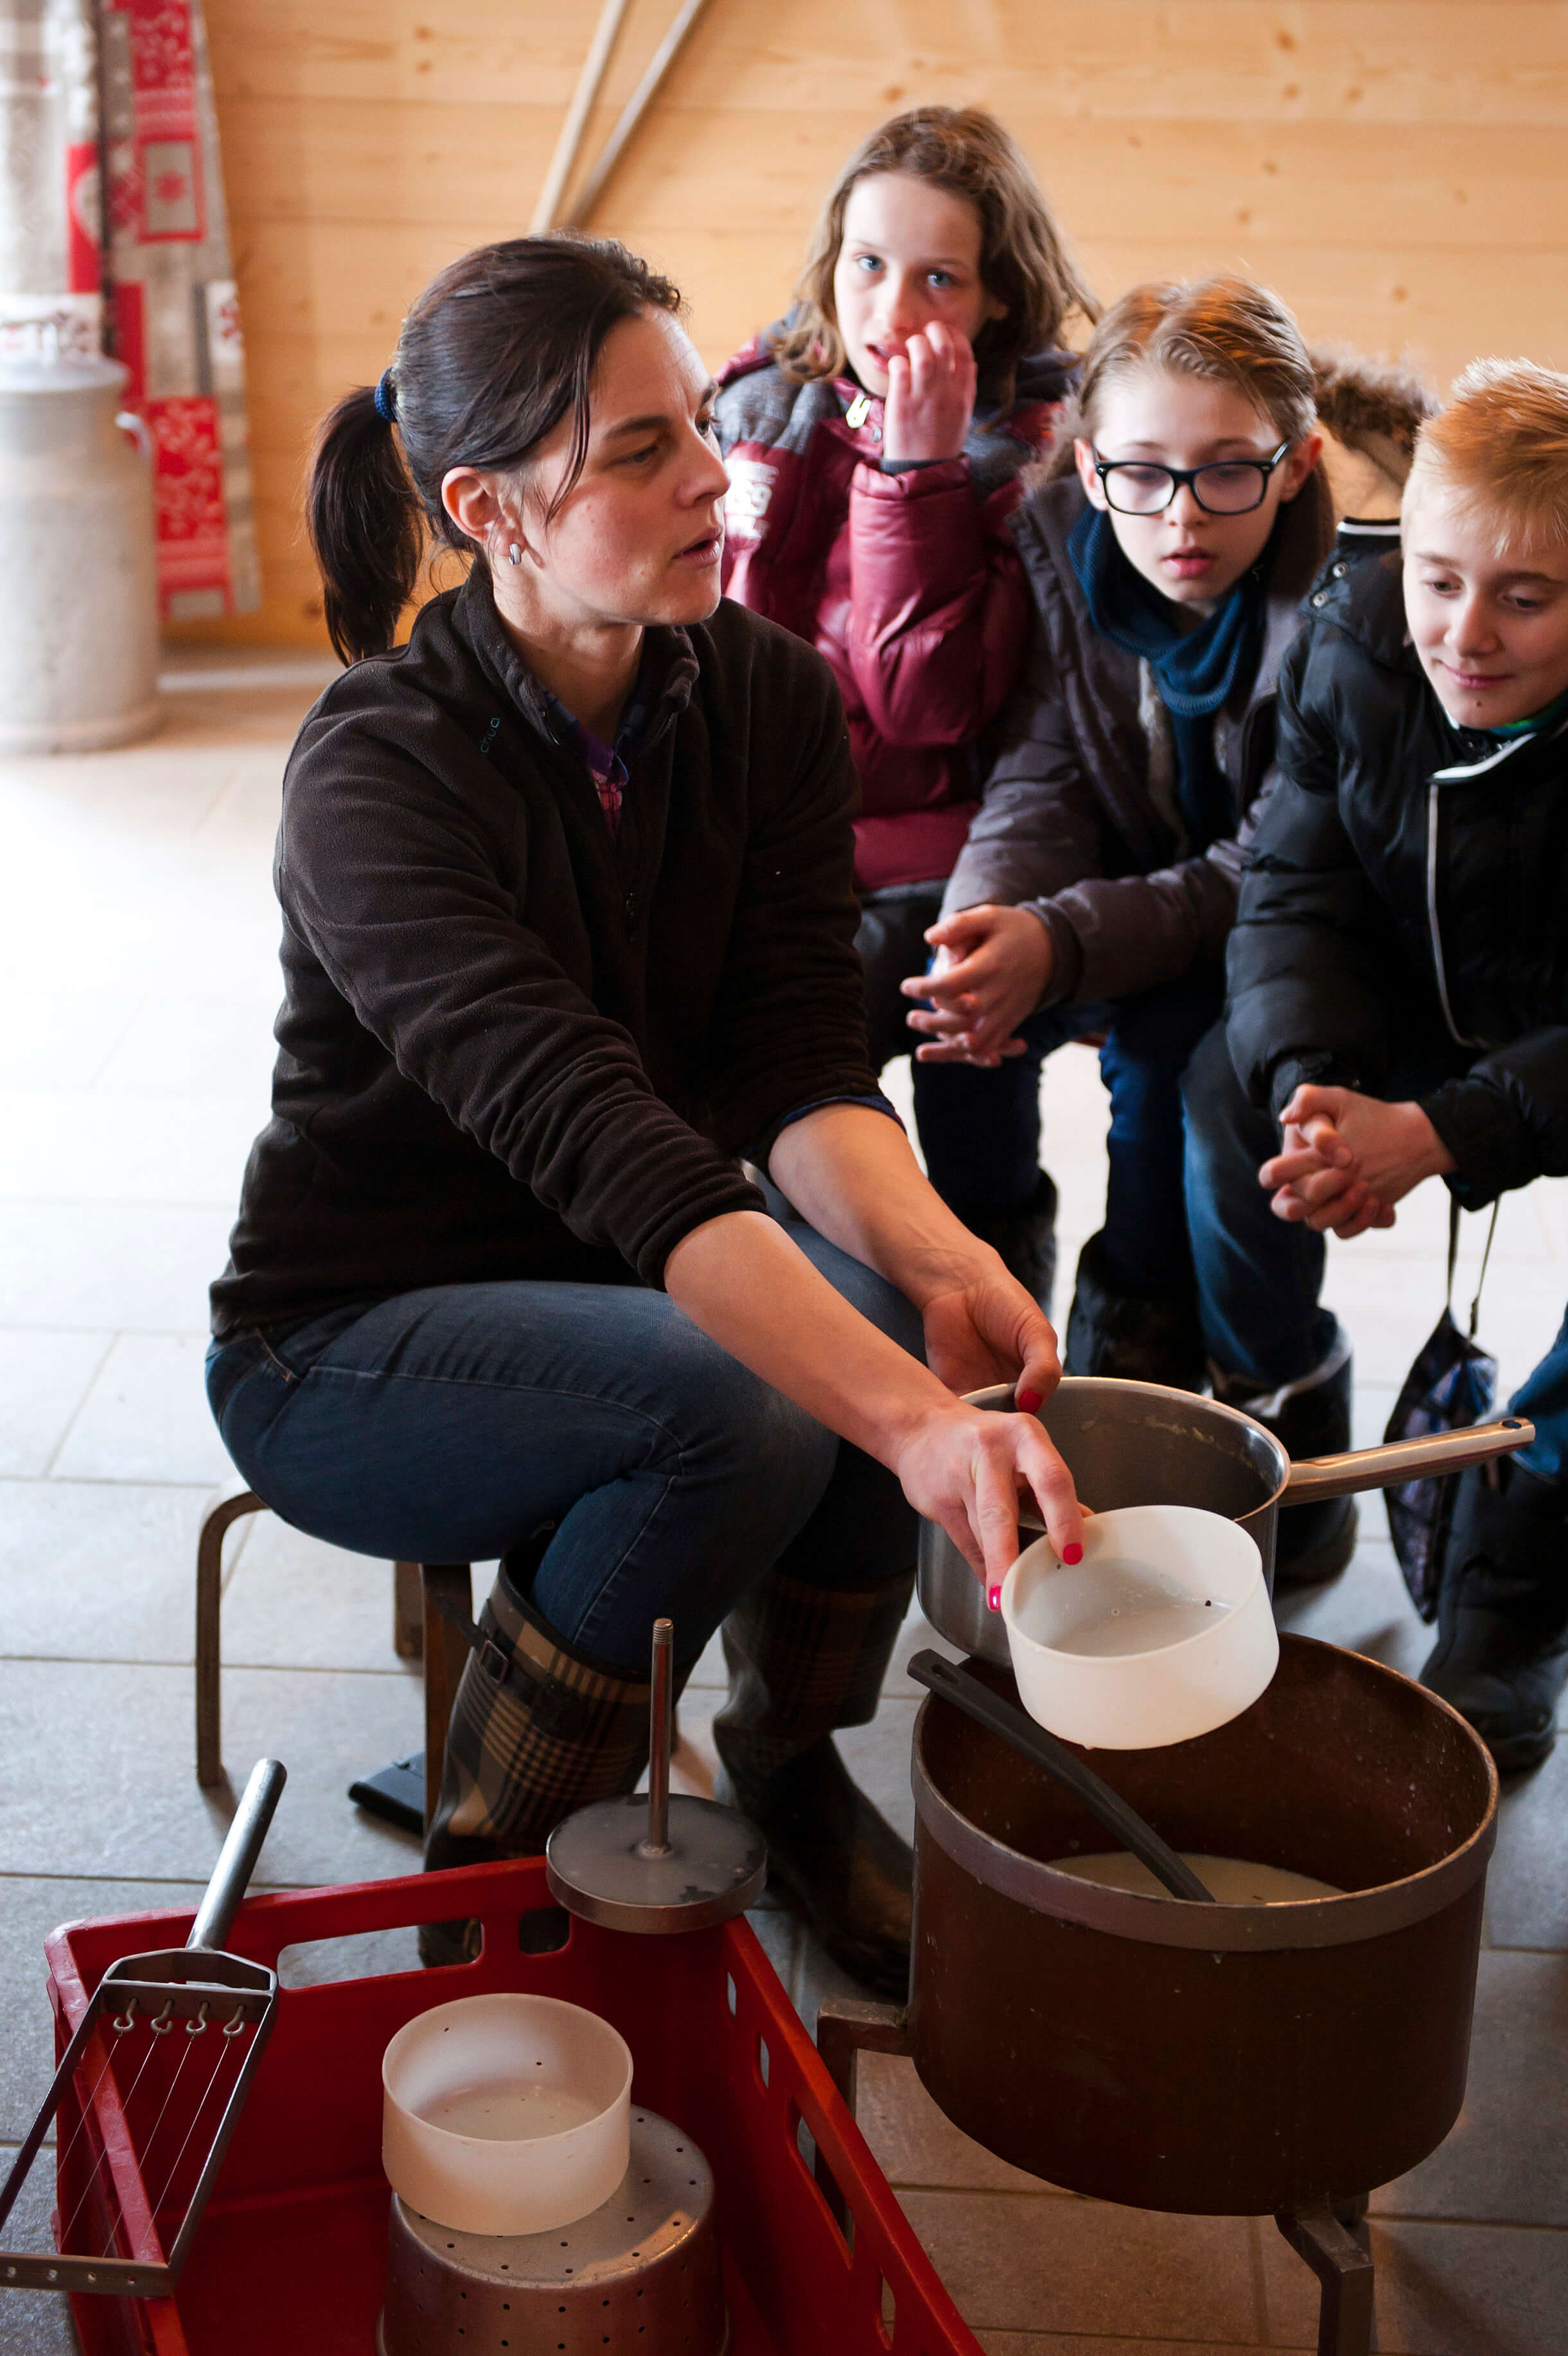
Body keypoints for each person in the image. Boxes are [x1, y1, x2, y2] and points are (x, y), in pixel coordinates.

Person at [203, 234, 1083, 1992]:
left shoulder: (752, 693)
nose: (715, 472)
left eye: (699, 420)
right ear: (488, 507)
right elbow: (604, 1136)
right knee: (749, 1400)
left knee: (866, 1307)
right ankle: (494, 1863)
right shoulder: (376, 768)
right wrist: (912, 1427)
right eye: (637, 449)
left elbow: (791, 1072)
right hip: (355, 1334)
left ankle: (787, 1751)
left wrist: (938, 1253)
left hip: (625, 1264)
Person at [904, 281, 1427, 1475]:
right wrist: (990, 920)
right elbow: (1044, 766)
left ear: (1295, 466)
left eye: (1226, 471)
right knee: (960, 1014)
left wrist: (1064, 942)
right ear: (1089, 470)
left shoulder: (1355, 602)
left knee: (1187, 1076)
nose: (1179, 517)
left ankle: (1263, 1394)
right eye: (1140, 473)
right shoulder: (1062, 555)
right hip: (1143, 907)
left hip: (1302, 936)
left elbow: (1276, 865)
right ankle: (1009, 1342)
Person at [1183, 358, 1568, 1766]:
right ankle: (1281, 1413)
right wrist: (1319, 1095)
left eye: (1527, 597)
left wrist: (1446, 1132)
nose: (1465, 634)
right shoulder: (1353, 633)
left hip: (1545, 1039)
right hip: (1412, 999)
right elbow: (1294, 891)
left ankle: (1522, 1582)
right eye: (1441, 579)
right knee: (1225, 1092)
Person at [714, 105, 1097, 1304]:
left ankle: (1001, 1326)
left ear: (995, 300)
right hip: (787, 846)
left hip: (956, 853)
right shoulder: (757, 412)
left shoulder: (1039, 449)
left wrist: (914, 470)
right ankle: (821, 1336)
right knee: (781, 1085)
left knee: (960, 1041)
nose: (892, 310)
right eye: (868, 264)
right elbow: (730, 669)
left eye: (940, 277)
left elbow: (929, 705)